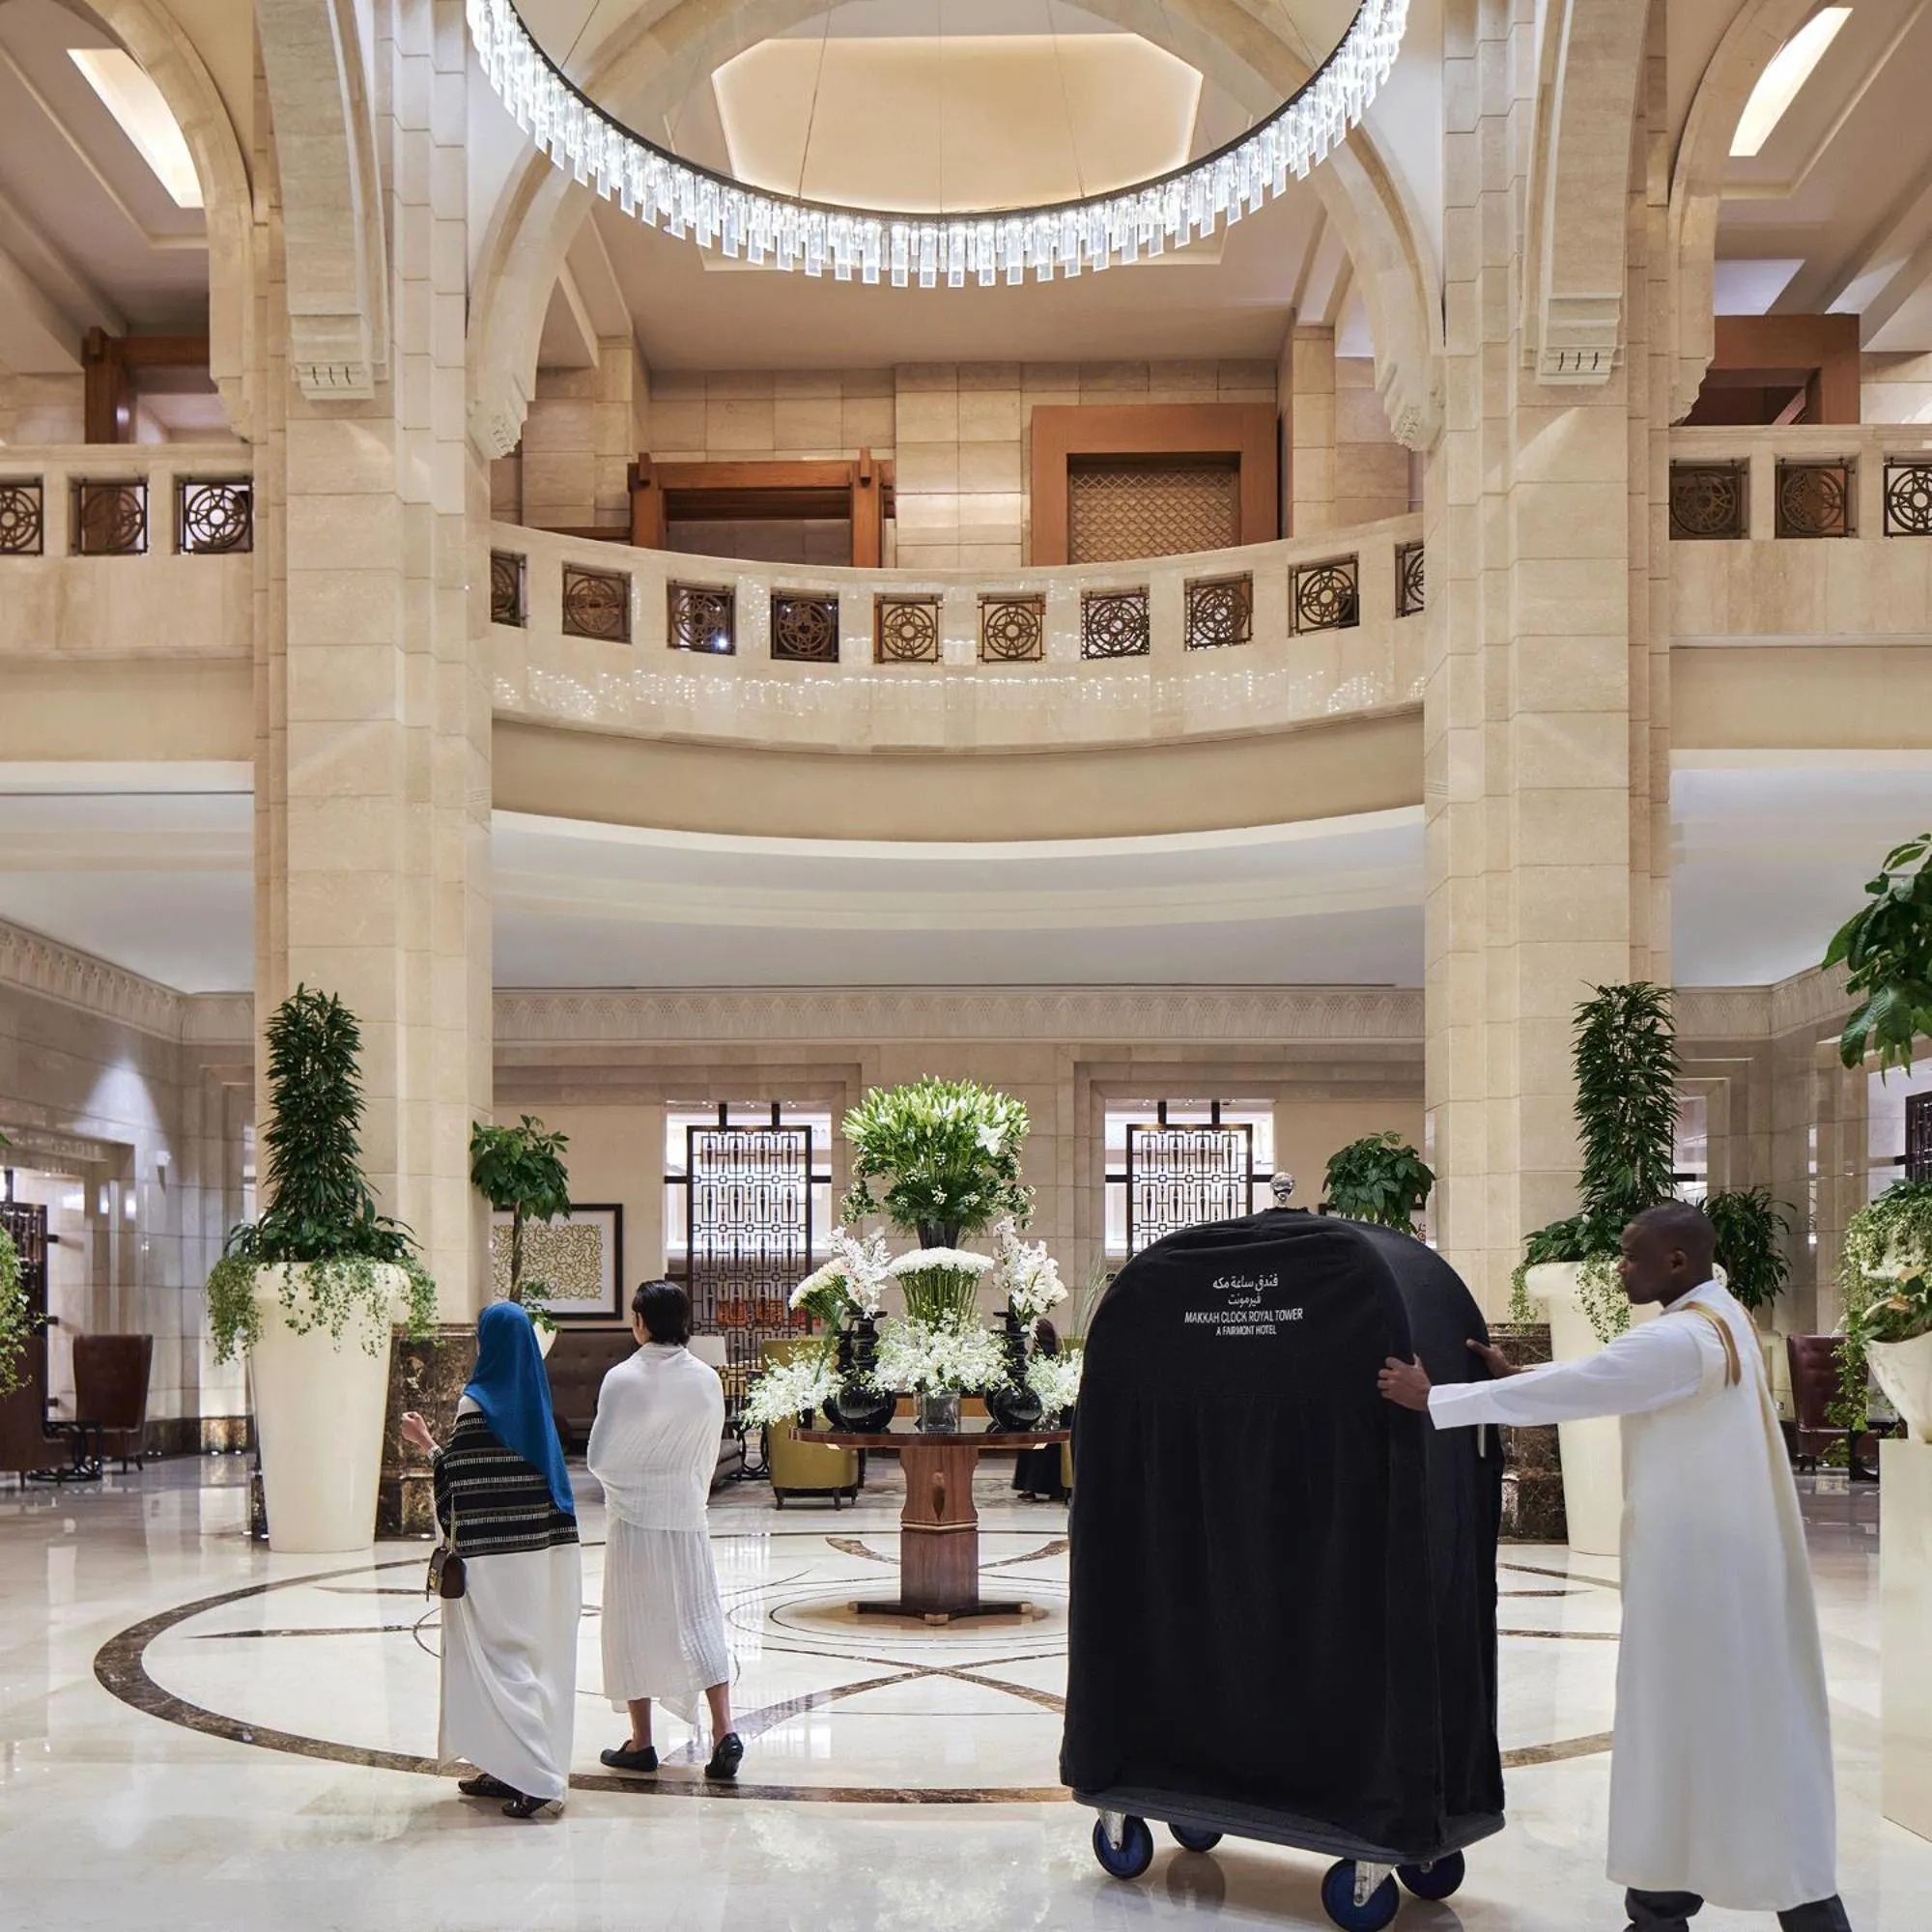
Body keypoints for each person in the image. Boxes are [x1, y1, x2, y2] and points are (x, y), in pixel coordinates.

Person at [1378, 1203, 1850, 1932]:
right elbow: (1613, 1376)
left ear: (1675, 1263)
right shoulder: (1722, 1316)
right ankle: (1677, 1900)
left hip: (1694, 1581)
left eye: (1632, 1256)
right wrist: (1524, 1371)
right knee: (1720, 1729)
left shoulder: (1681, 1339)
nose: (1619, 1268)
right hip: (1723, 1572)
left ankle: (1679, 1908)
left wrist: (1435, 1396)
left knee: (1680, 1726)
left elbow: (1597, 1382)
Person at [401, 1300, 581, 1820]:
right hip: (540, 1555)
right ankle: (505, 1768)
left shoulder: (475, 1403)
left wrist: (427, 1443)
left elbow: (457, 1483)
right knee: (526, 1654)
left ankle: (539, 1776)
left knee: (503, 1661)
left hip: (492, 1561)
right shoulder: (533, 1402)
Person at [587, 1279, 743, 1781]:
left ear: (641, 1321)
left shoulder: (622, 1378)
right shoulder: (705, 1378)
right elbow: (705, 1448)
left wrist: (631, 1484)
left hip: (635, 1519)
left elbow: (600, 1456)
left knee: (634, 1623)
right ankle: (724, 1731)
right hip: (686, 1515)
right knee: (700, 1617)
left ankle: (642, 1741)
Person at [1011, 1319, 1068, 1501]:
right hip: (1057, 1412)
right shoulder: (1058, 1355)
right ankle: (1055, 1488)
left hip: (1040, 1413)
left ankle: (1030, 1486)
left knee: (1034, 1447)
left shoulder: (1038, 1356)